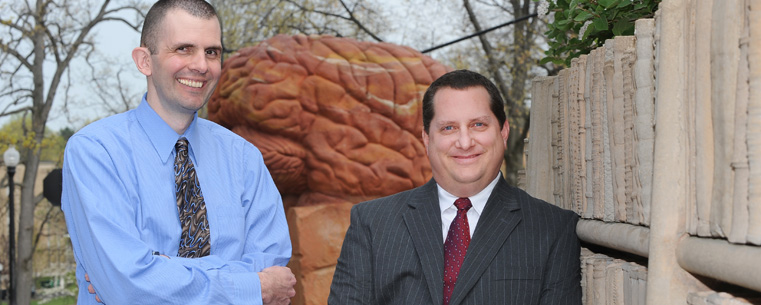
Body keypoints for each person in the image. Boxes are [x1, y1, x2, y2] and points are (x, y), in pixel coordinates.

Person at [61, 0, 295, 304]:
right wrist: (249, 287)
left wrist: (162, 270)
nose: (201, 65)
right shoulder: (95, 152)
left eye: (211, 52)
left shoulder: (244, 158)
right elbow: (127, 288)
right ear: (144, 60)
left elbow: (273, 269)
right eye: (184, 49)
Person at [328, 69, 582, 305]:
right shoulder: (372, 224)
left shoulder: (553, 229)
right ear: (427, 139)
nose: (464, 141)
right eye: (448, 128)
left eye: (478, 125)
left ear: (503, 132)